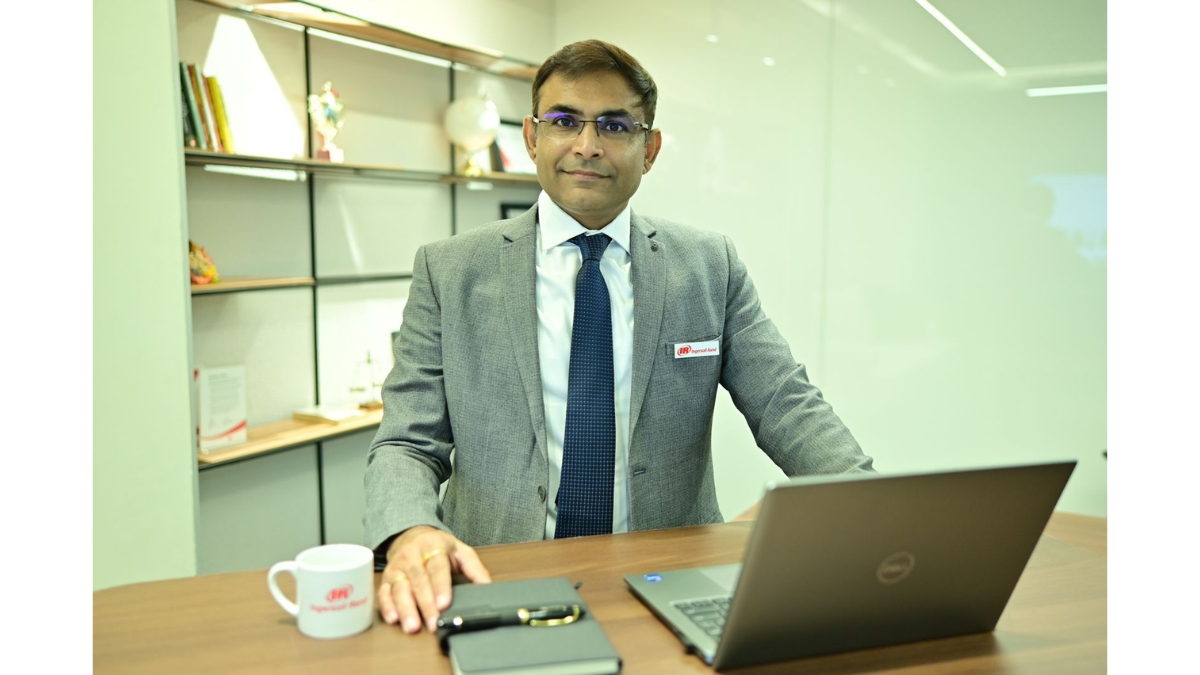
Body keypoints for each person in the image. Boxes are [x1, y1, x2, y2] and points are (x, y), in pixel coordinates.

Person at [365, 39, 874, 635]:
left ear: (649, 149)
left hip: (667, 583)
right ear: (532, 137)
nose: (587, 145)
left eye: (614, 125)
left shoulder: (708, 266)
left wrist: (861, 497)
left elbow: (786, 403)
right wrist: (412, 530)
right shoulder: (450, 271)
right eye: (564, 121)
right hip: (498, 578)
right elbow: (406, 442)